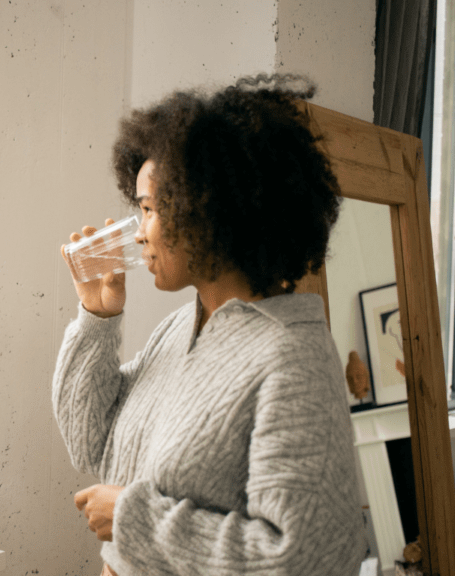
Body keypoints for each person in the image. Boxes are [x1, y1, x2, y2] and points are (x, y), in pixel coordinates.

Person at [53, 74, 366, 576]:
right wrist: (97, 316)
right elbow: (91, 442)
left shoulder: (291, 357)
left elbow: (308, 557)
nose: (138, 234)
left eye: (150, 209)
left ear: (211, 212)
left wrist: (136, 519)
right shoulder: (183, 328)